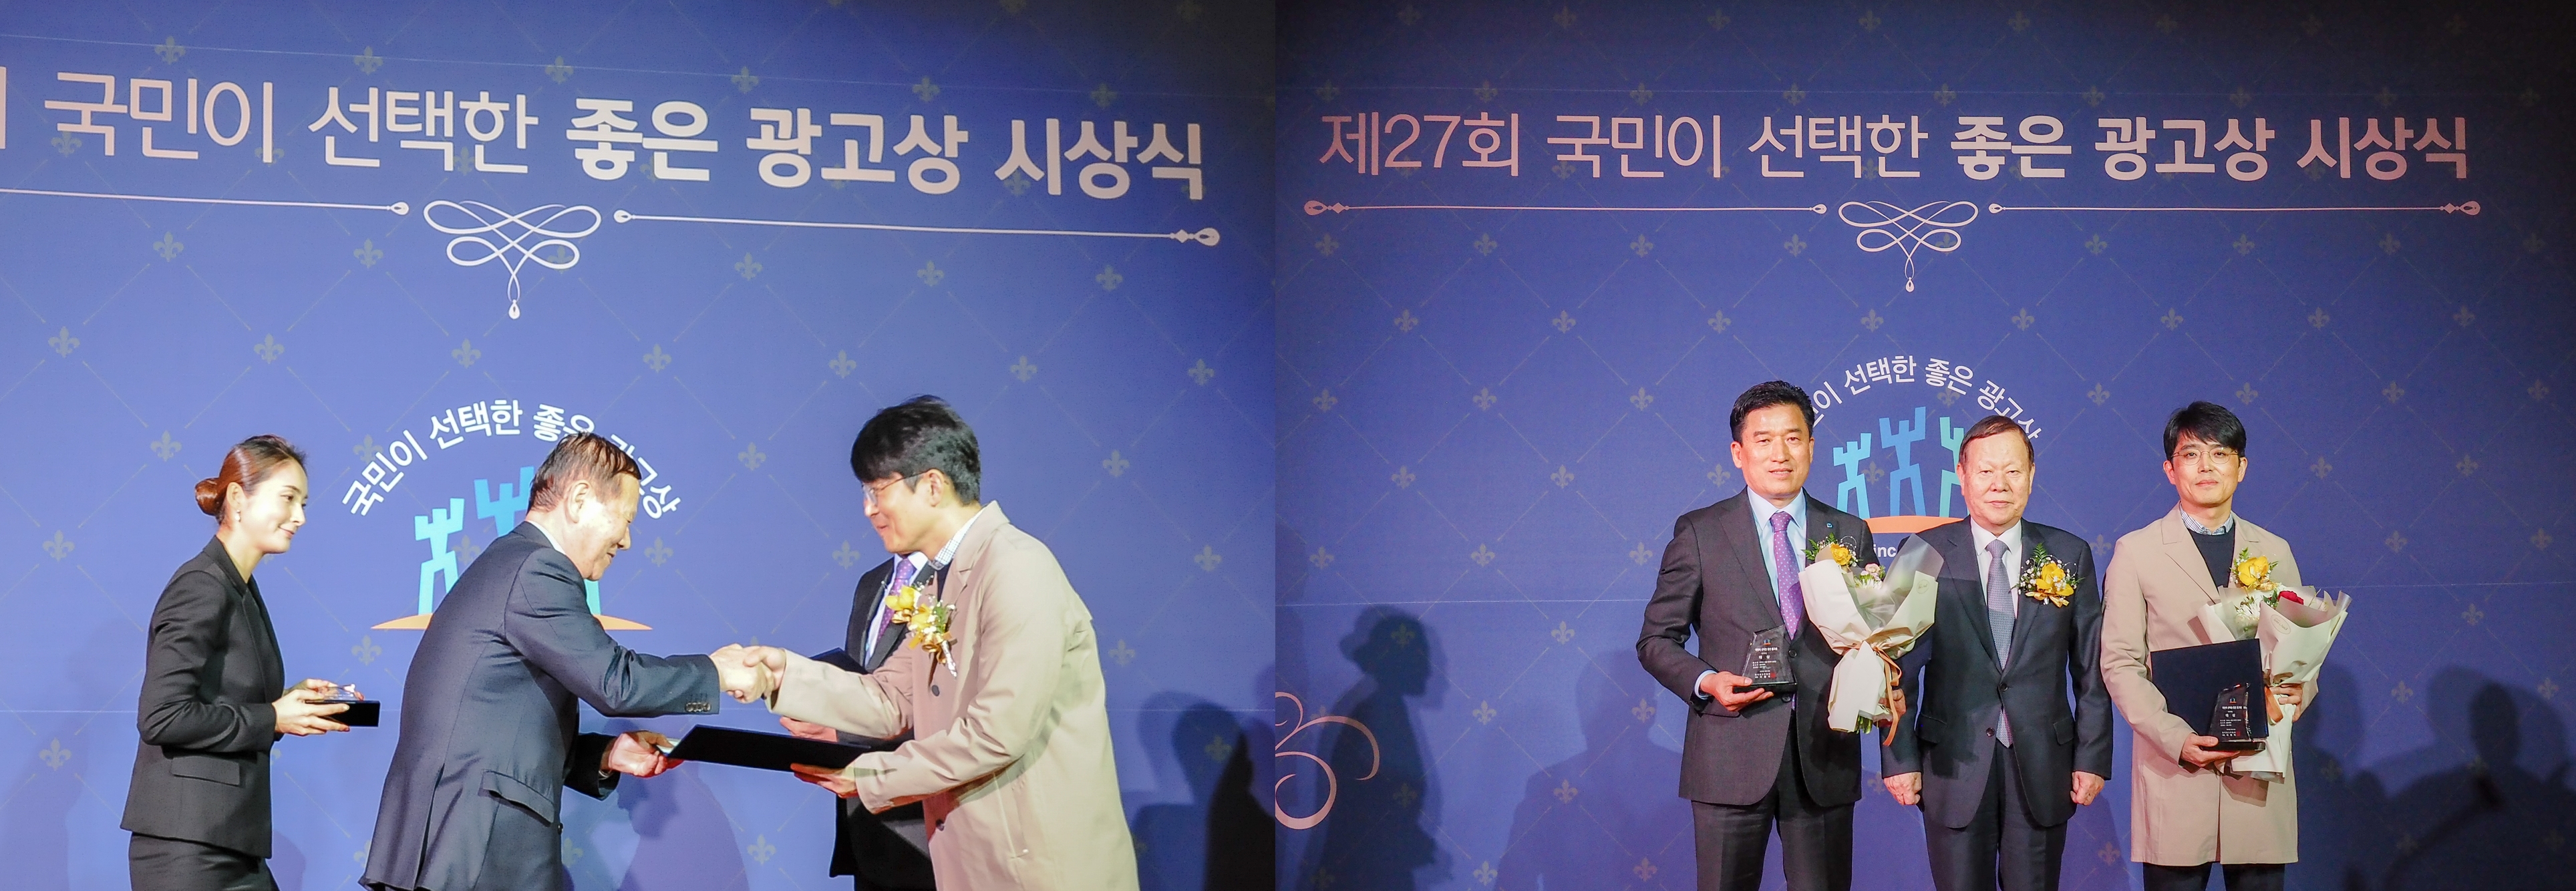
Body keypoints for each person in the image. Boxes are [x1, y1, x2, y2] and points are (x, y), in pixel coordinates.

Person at [725, 396, 1138, 890]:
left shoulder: (1017, 567)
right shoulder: (936, 583)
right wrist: (780, 676)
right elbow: (891, 699)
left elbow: (997, 733)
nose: (868, 509)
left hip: (1038, 866)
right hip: (972, 859)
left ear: (934, 486)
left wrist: (873, 776)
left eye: (878, 490)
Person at [361, 432, 766, 891]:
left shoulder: (510, 563)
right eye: (626, 519)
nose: (627, 540)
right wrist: (718, 672)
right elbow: (617, 683)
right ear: (579, 500)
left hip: (454, 849)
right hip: (474, 852)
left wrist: (605, 755)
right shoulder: (538, 568)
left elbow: (498, 727)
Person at [1637, 381, 1876, 891]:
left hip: (1824, 755)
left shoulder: (1849, 533)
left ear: (1811, 446)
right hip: (1730, 754)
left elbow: (1871, 637)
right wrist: (1707, 682)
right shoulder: (1701, 532)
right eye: (1763, 440)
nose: (1779, 454)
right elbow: (1657, 640)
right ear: (1737, 452)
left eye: (1793, 438)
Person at [1883, 415, 2114, 891]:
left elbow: (2092, 669)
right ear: (1962, 476)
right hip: (1952, 763)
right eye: (1986, 471)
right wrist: (1900, 759)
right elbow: (1895, 671)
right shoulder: (1921, 551)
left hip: (2042, 764)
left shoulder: (2068, 554)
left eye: (2012, 471)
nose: (1999, 484)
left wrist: (2092, 756)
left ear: (2031, 475)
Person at [2099, 401, 2313, 891]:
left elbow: (2299, 648)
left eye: (2220, 454)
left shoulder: (2274, 550)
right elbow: (2120, 662)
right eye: (2191, 454)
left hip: (2258, 766)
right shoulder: (2137, 551)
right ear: (2170, 469)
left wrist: (2300, 689)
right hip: (2176, 767)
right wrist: (2174, 738)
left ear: (2242, 467)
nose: (2206, 467)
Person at [124, 435, 350, 891]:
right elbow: (161, 716)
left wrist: (289, 705)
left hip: (228, 844)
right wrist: (271, 717)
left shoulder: (239, 586)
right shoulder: (201, 585)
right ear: (237, 499)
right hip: (189, 850)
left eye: (304, 503)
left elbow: (221, 699)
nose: (300, 517)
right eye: (288, 498)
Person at [776, 539, 938, 891]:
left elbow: (954, 707)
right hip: (868, 831)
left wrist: (845, 733)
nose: (873, 512)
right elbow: (869, 689)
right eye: (868, 504)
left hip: (932, 828)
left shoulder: (960, 579)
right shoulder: (872, 582)